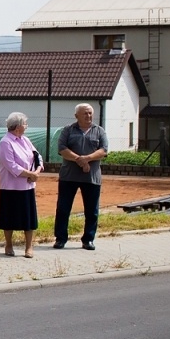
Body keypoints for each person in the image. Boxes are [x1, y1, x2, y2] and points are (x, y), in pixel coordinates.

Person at [54, 103, 108, 250]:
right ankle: (60, 239)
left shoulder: (99, 131)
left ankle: (88, 239)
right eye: (85, 113)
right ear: (76, 115)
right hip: (68, 177)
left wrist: (87, 159)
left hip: (91, 177)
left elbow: (103, 150)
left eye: (90, 113)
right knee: (63, 209)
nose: (88, 116)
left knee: (92, 211)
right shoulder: (68, 130)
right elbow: (62, 149)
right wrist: (79, 160)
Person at [0, 111, 43, 258]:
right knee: (8, 218)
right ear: (17, 127)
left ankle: (29, 247)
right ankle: (8, 244)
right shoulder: (5, 142)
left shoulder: (25, 140)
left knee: (28, 219)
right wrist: (30, 175)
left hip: (27, 186)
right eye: (25, 124)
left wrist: (36, 171)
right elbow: (11, 166)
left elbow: (37, 156)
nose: (26, 127)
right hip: (10, 187)